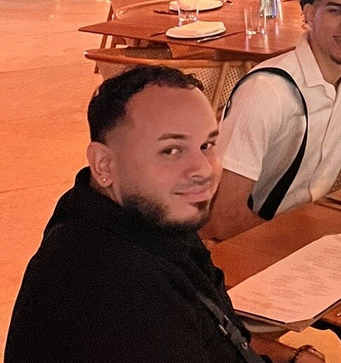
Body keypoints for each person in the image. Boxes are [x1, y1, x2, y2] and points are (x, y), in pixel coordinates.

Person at [6, 66, 324, 363]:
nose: (203, 170)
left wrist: (290, 357)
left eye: (207, 145)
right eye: (171, 150)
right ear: (104, 165)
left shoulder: (143, 217)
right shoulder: (116, 293)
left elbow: (217, 330)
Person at [205, 0, 341, 241]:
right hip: (251, 239)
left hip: (309, 224)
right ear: (309, 14)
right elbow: (223, 219)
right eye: (335, 11)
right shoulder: (268, 92)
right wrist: (298, 248)